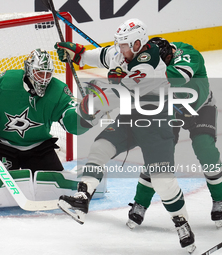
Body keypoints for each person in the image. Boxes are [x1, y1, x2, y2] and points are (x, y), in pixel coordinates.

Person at [54, 19, 196, 253]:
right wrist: (77, 54)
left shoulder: (149, 62)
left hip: (155, 122)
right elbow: (102, 55)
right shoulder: (124, 51)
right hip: (130, 119)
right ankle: (82, 197)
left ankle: (182, 223)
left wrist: (93, 104)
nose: (120, 50)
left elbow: (122, 91)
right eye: (119, 45)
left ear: (138, 43)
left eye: (124, 45)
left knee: (162, 181)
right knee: (100, 147)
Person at [127, 37, 222, 229]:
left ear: (169, 54)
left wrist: (147, 73)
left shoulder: (187, 54)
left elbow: (179, 76)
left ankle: (221, 199)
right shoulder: (147, 63)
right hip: (170, 111)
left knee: (204, 148)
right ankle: (140, 202)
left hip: (200, 107)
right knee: (156, 157)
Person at [0, 48, 94, 175]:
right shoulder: (6, 81)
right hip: (3, 147)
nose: (44, 79)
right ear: (28, 70)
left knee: (51, 188)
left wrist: (83, 114)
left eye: (47, 74)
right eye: (39, 73)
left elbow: (71, 123)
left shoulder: (58, 90)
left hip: (38, 148)